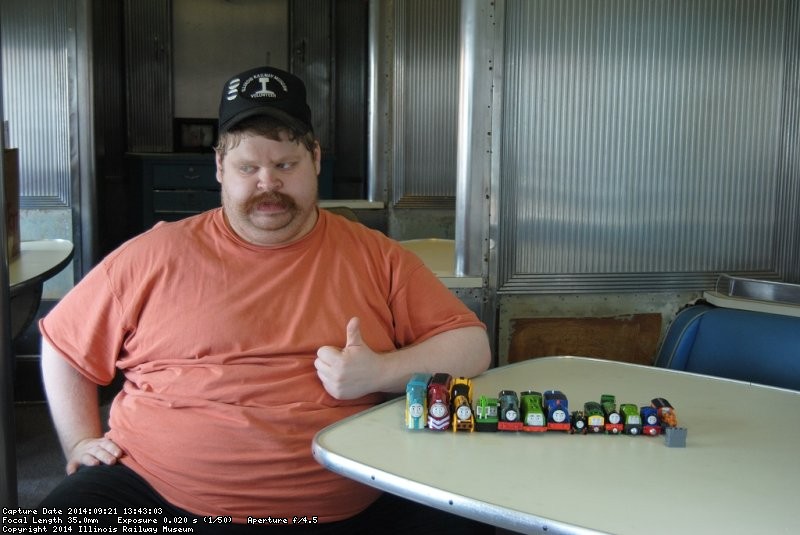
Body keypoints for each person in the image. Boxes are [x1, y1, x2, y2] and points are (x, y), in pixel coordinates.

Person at [38, 66, 492, 533]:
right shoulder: (152, 255)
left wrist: (381, 371)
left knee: (477, 518)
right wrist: (80, 441)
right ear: (220, 168)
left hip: (351, 501)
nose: (267, 184)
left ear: (315, 158)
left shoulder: (376, 256)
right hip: (156, 493)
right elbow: (64, 347)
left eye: (285, 165)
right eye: (248, 167)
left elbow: (470, 345)